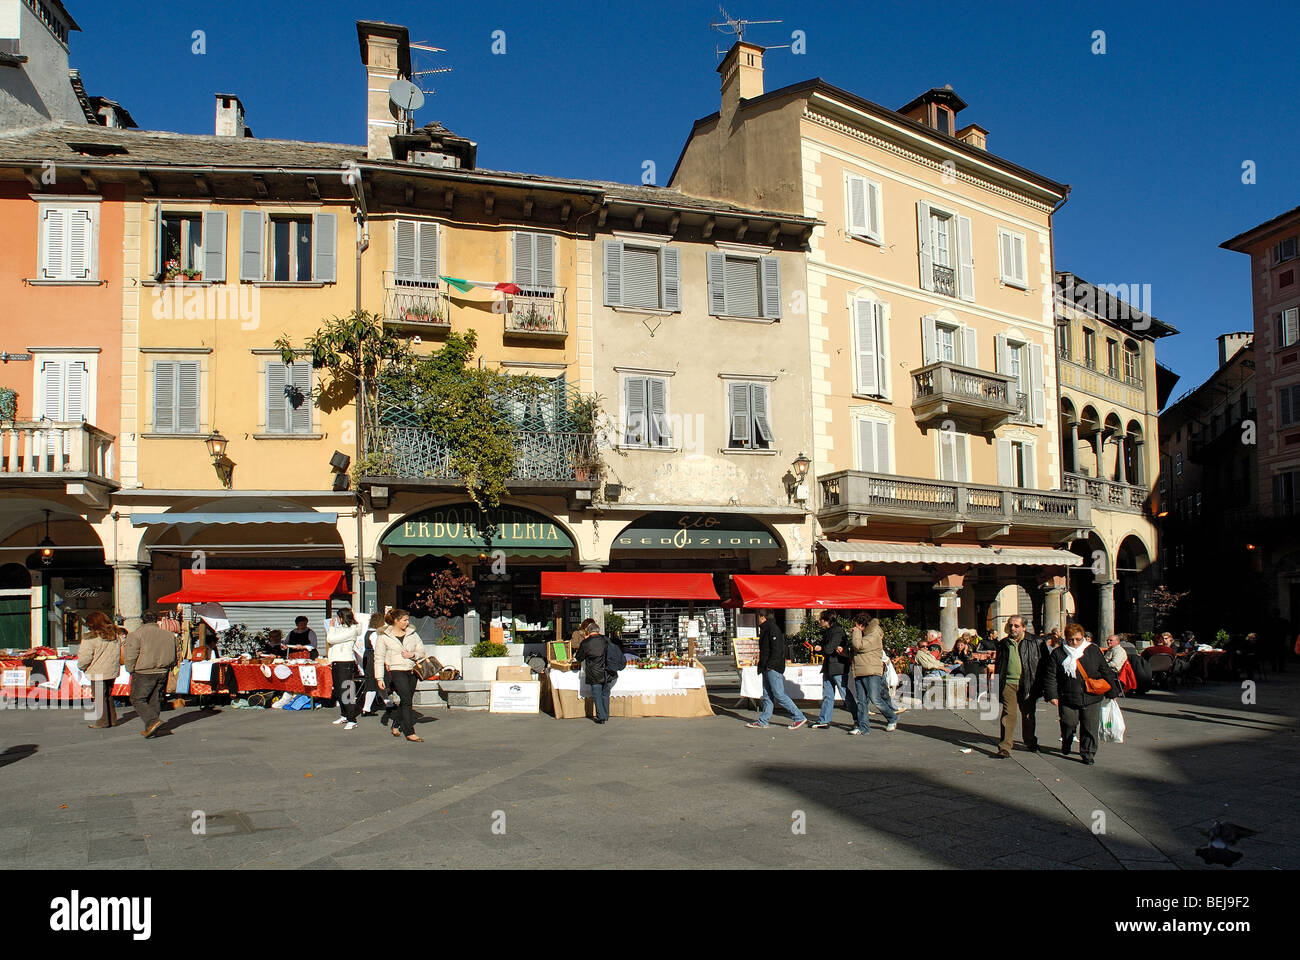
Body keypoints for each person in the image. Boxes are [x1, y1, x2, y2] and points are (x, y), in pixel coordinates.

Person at [1043, 622, 1117, 765]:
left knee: (1090, 727)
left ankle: (1088, 753)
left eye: (1078, 639)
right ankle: (1067, 740)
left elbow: (1105, 670)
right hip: (1068, 696)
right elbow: (1051, 675)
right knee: (1068, 723)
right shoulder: (1058, 653)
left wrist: (1112, 692)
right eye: (1071, 640)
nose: (1074, 643)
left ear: (1083, 637)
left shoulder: (1093, 650)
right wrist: (1052, 695)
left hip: (1092, 696)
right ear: (1066, 638)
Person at [993, 615, 1047, 758]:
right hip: (1008, 683)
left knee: (1028, 714)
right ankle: (1005, 746)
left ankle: (1030, 741)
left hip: (1028, 683)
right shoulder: (1003, 643)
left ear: (1024, 627)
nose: (1012, 628)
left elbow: (1044, 665)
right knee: (1008, 714)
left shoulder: (1036, 642)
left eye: (1016, 626)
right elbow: (999, 665)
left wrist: (1043, 686)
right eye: (1011, 625)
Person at [123, 611, 180, 739]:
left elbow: (131, 655)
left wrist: (130, 669)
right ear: (156, 621)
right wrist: (170, 666)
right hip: (162, 670)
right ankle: (151, 727)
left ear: (142, 621)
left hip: (144, 671)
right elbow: (176, 653)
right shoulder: (169, 635)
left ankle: (153, 721)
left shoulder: (136, 635)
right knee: (154, 699)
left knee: (137, 699)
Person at [746, 610, 807, 729]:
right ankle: (763, 720)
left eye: (758, 617)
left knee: (779, 694)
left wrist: (770, 664)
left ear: (763, 617)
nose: (756, 619)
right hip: (767, 666)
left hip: (772, 667)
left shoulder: (772, 629)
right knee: (767, 694)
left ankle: (798, 716)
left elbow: (777, 649)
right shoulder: (766, 628)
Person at [373, 608, 426, 742]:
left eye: (408, 620)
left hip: (412, 670)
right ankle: (409, 731)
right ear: (396, 621)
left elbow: (422, 651)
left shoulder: (412, 634)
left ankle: (396, 723)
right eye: (404, 620)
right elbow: (378, 658)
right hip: (396, 670)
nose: (407, 623)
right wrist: (379, 677)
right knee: (407, 700)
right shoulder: (383, 637)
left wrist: (413, 655)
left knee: (405, 700)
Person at [848, 612, 898, 736]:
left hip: (871, 671)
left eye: (856, 625)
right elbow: (858, 652)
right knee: (862, 701)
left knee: (875, 699)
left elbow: (858, 646)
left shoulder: (874, 634)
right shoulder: (866, 635)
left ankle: (892, 717)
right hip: (860, 670)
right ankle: (863, 727)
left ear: (861, 624)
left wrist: (856, 632)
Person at [812, 612, 857, 729]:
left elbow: (829, 648)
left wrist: (821, 648)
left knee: (845, 694)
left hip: (838, 667)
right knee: (828, 694)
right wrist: (821, 647)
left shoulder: (837, 631)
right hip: (829, 667)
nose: (819, 621)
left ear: (826, 620)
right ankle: (824, 720)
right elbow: (826, 647)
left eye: (821, 619)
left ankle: (858, 718)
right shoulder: (828, 631)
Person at [78, 611, 121, 729]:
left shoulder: (90, 637)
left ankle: (102, 722)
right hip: (111, 670)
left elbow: (85, 657)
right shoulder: (115, 635)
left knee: (99, 696)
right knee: (108, 694)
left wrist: (81, 666)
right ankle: (112, 719)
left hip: (97, 670)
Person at [325, 609, 363, 730]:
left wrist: (331, 628)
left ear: (343, 617)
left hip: (345, 662)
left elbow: (330, 639)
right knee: (338, 691)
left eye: (338, 617)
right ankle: (344, 715)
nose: (337, 620)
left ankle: (352, 719)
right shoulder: (341, 629)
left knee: (346, 690)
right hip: (336, 661)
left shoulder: (351, 630)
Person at [574, 620, 613, 724]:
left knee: (597, 694)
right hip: (608, 671)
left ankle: (601, 717)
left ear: (588, 631)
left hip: (594, 672)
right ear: (598, 630)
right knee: (605, 693)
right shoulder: (606, 640)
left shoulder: (586, 642)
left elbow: (579, 658)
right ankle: (606, 714)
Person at [357, 611, 388, 717]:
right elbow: (378, 648)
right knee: (373, 684)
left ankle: (389, 703)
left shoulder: (368, 631)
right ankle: (366, 708)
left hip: (368, 657)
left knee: (378, 683)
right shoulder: (375, 634)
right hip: (373, 659)